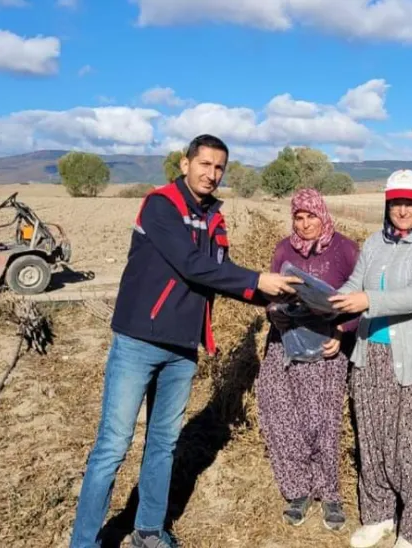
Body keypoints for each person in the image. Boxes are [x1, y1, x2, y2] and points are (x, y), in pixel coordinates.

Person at [69, 134, 302, 548]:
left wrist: (270, 295)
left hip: (182, 347)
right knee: (113, 446)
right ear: (184, 163)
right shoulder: (161, 205)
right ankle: (84, 542)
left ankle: (148, 530)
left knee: (163, 443)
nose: (211, 174)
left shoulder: (214, 217)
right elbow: (192, 266)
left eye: (219, 168)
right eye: (205, 164)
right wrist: (256, 279)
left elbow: (220, 270)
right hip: (139, 340)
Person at [329, 169, 412, 548]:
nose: (402, 210)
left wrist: (368, 301)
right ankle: (379, 515)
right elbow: (355, 283)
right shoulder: (374, 243)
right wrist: (331, 303)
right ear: (387, 204)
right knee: (374, 440)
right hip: (372, 355)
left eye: (409, 203)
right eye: (396, 202)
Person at [255, 188, 360, 531]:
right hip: (286, 341)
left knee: (323, 423)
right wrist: (275, 311)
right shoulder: (285, 249)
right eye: (298, 217)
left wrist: (342, 330)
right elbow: (271, 292)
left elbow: (361, 297)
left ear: (323, 215)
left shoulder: (345, 249)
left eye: (310, 216)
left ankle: (329, 493)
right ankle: (298, 490)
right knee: (283, 416)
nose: (304, 224)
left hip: (327, 345)